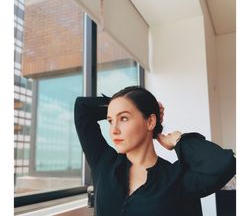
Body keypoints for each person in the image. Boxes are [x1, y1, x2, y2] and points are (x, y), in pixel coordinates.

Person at [74, 86, 236, 216]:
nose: (114, 130)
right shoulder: (104, 163)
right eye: (110, 120)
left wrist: (180, 140)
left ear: (150, 121)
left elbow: (224, 163)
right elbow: (82, 108)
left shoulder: (177, 178)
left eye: (123, 118)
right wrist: (121, 103)